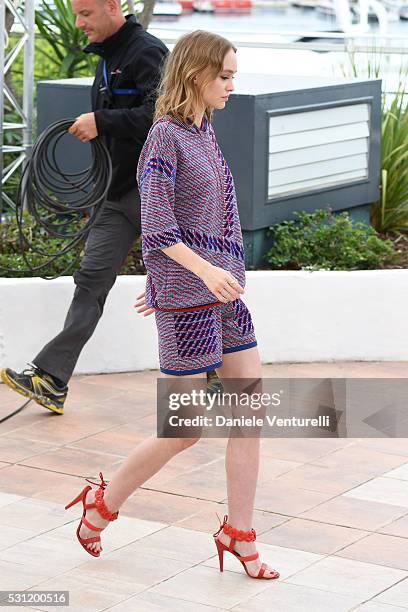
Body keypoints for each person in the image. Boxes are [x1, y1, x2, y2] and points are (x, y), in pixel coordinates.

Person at [64, 30, 280, 581]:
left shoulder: (205, 131)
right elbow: (159, 229)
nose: (232, 86)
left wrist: (218, 276)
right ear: (195, 76)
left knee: (249, 415)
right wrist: (184, 280)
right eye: (225, 76)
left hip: (224, 295)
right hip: (190, 304)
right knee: (182, 430)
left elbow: (215, 219)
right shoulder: (163, 137)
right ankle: (103, 503)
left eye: (234, 76)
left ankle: (241, 532)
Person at [1, 0, 168, 414]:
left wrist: (102, 121)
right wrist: (101, 122)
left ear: (112, 8)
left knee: (194, 278)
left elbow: (164, 115)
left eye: (86, 14)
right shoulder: (110, 57)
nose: (79, 24)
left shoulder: (147, 52)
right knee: (91, 278)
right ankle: (52, 379)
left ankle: (219, 374)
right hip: (116, 194)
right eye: (75, 15)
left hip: (157, 194)